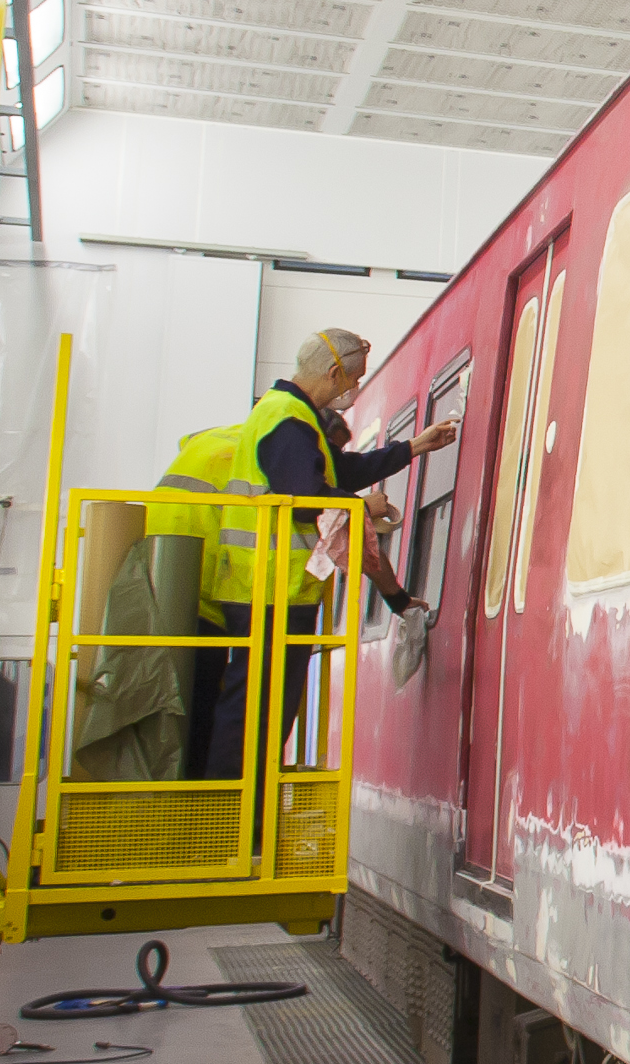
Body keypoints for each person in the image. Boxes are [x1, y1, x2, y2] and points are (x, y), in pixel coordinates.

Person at [156, 331, 457, 785]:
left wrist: (412, 448)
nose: (351, 390)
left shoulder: (286, 416)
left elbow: (339, 472)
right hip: (273, 585)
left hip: (265, 585)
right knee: (257, 713)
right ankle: (234, 824)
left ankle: (232, 818)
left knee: (258, 708)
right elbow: (304, 493)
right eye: (353, 379)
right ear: (335, 373)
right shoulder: (289, 420)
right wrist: (361, 507)